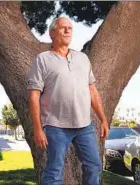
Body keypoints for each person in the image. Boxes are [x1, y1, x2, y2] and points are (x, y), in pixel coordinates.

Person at [27, 17, 109, 185]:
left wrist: (103, 119)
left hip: (84, 126)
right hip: (56, 126)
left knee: (94, 166)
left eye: (70, 28)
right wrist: (37, 129)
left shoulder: (82, 59)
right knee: (55, 170)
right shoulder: (42, 60)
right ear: (52, 33)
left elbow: (92, 91)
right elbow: (34, 96)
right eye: (63, 28)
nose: (67, 31)